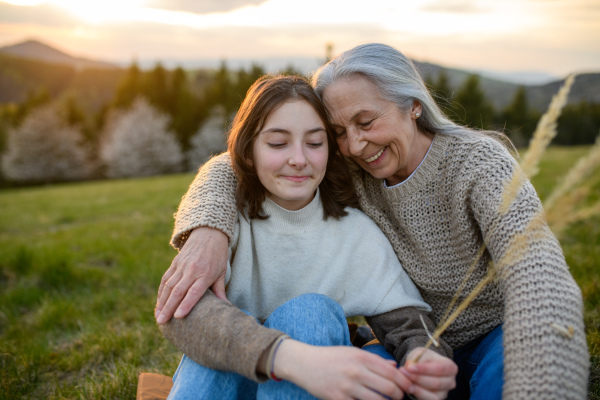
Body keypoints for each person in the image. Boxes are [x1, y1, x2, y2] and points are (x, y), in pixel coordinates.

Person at [156, 44, 590, 399]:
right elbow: (244, 160)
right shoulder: (347, 167)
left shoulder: (478, 165)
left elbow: (540, 277)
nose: (357, 146)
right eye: (340, 132)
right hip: (398, 344)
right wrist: (208, 229)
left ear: (413, 105)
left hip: (490, 333)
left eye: (366, 122)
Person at [160, 75, 457, 400]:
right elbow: (182, 313)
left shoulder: (355, 233)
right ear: (248, 153)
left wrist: (423, 356)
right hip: (232, 381)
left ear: (330, 152)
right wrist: (289, 358)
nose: (299, 159)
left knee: (309, 312)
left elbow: (407, 324)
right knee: (220, 339)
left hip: (308, 384)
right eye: (277, 143)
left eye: (314, 143)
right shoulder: (222, 220)